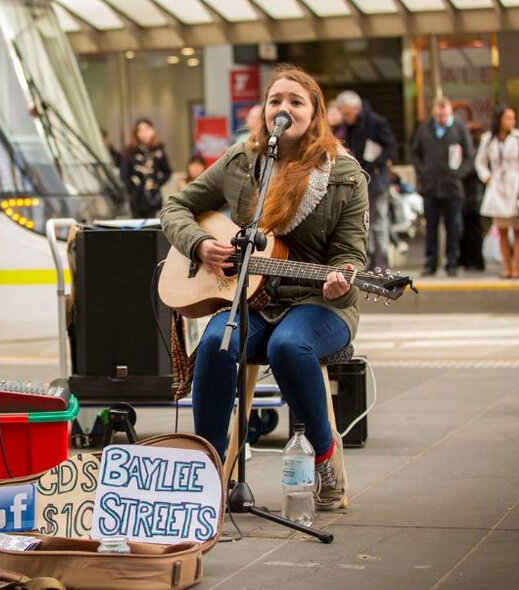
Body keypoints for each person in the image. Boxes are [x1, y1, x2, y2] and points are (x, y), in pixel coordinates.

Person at [160, 64, 369, 512]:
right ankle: (210, 472)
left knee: (289, 347)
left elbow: (352, 256)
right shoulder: (242, 161)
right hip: (252, 297)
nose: (284, 108)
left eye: (296, 101)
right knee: (217, 343)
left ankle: (325, 457)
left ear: (315, 114)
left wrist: (340, 282)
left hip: (319, 303)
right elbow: (176, 206)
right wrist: (199, 247)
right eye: (276, 100)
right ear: (265, 111)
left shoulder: (344, 175)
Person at [410, 97, 476, 276]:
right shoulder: (425, 128)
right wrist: (423, 172)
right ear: (434, 113)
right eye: (439, 115)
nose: (442, 119)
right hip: (430, 186)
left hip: (452, 186)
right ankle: (430, 262)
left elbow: (470, 154)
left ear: (450, 113)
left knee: (452, 227)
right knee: (431, 227)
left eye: (445, 115)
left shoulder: (459, 128)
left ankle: (452, 262)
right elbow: (415, 153)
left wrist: (459, 173)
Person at [474, 106, 519, 278]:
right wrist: (487, 177)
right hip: (497, 187)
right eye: (508, 118)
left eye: (513, 118)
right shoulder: (488, 139)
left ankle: (517, 267)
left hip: (516, 187)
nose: (511, 121)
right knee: (502, 229)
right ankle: (507, 267)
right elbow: (479, 162)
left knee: (518, 229)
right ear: (499, 119)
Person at [335, 90, 397, 272]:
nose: (346, 118)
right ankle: (369, 259)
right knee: (364, 222)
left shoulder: (376, 122)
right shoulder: (349, 125)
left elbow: (391, 145)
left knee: (379, 221)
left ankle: (381, 261)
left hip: (376, 179)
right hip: (360, 178)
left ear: (356, 108)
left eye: (347, 113)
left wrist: (376, 164)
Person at [120, 118, 172, 218]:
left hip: (153, 197)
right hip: (136, 197)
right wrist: (131, 190)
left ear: (153, 130)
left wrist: (157, 182)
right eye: (141, 130)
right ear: (136, 133)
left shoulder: (158, 150)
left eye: (147, 129)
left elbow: (167, 171)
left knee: (152, 226)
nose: (145, 133)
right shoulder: (130, 151)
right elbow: (124, 174)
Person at [458, 126, 487, 272]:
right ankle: (468, 260)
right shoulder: (466, 149)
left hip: (473, 195)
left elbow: (471, 169)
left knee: (473, 229)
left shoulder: (473, 151)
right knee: (466, 229)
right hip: (468, 195)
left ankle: (474, 260)